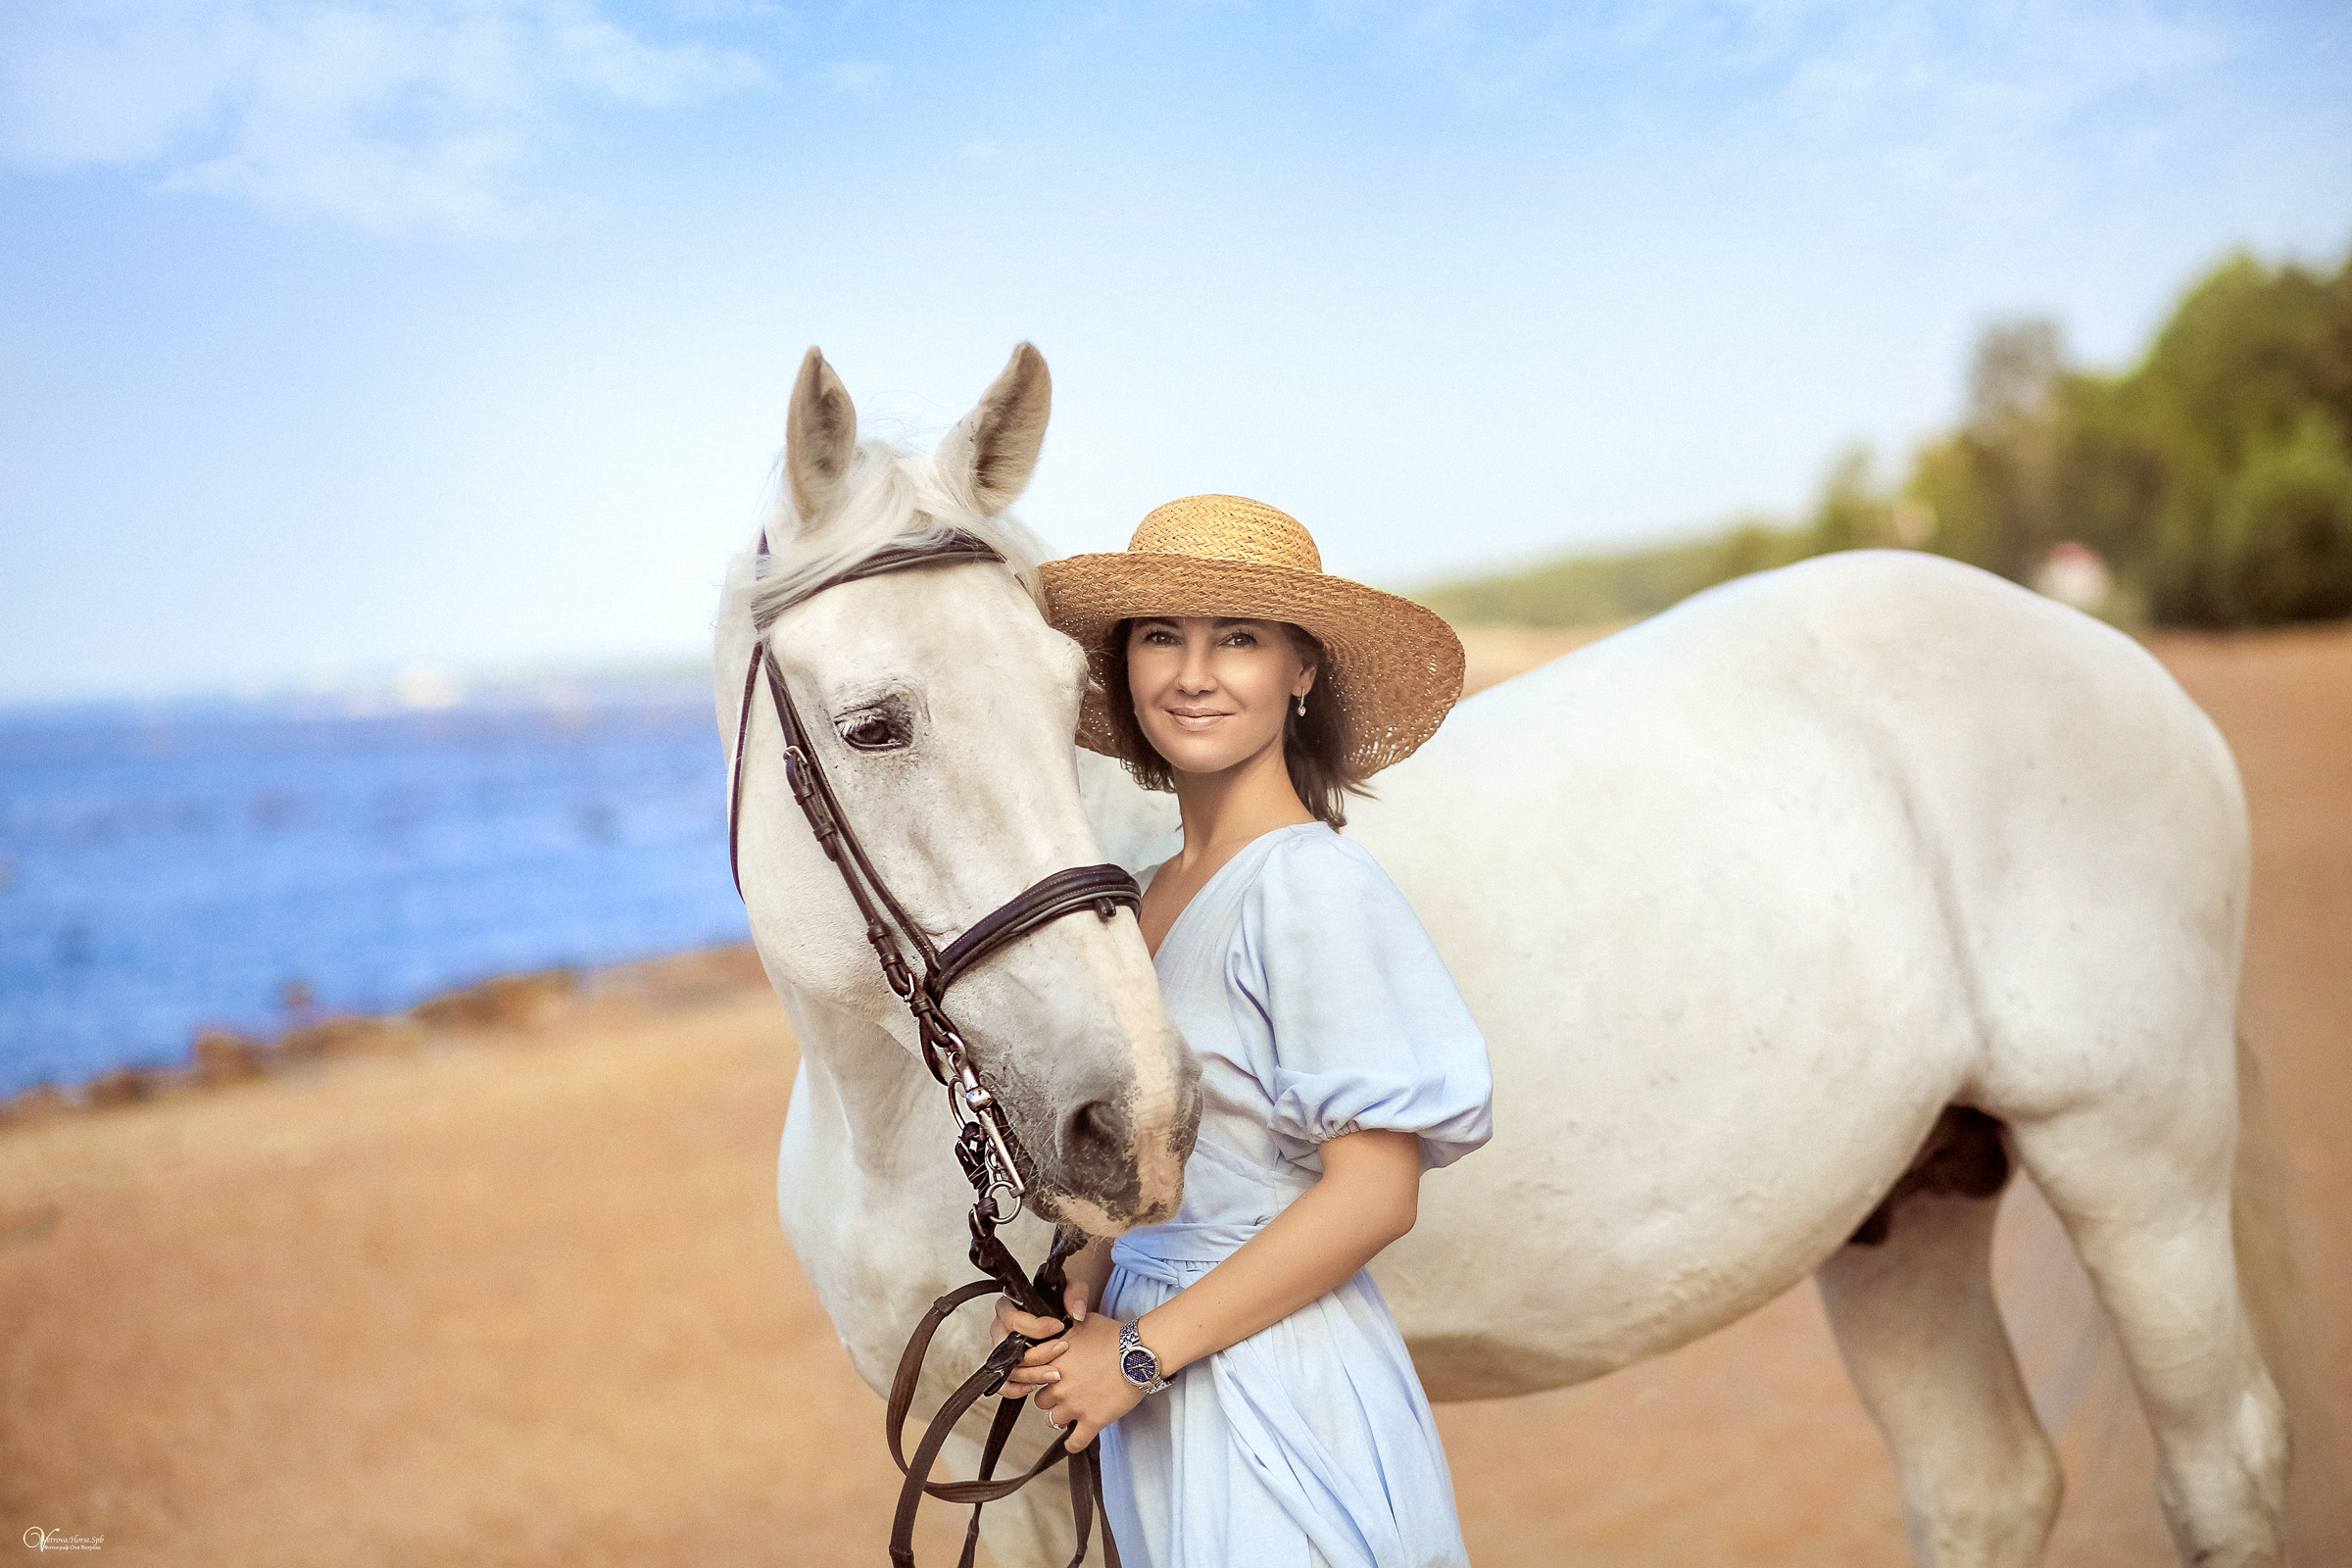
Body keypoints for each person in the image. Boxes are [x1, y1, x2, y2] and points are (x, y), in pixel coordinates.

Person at [991, 494, 1494, 1567]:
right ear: (1125, 666)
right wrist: (1090, 1266)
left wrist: (1132, 1357)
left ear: (1301, 670)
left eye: (1241, 640)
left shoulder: (1311, 885)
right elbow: (1191, 1152)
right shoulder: (1138, 898)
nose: (1193, 673)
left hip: (1280, 1393)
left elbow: (1374, 1190)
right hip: (1168, 1394)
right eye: (1161, 637)